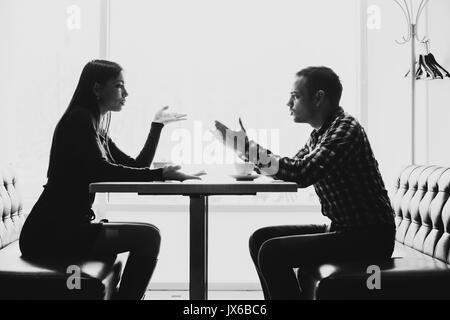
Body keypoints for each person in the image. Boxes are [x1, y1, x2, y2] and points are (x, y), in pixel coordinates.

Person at [19, 59, 203, 300]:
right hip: (51, 232)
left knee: (149, 235)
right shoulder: (79, 119)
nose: (126, 93)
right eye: (119, 86)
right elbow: (101, 170)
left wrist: (156, 126)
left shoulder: (95, 126)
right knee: (149, 237)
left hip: (68, 228)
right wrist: (160, 175)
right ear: (96, 89)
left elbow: (136, 166)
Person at [214, 66, 395, 300]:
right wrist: (245, 149)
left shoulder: (345, 129)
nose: (288, 104)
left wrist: (247, 148)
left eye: (295, 96)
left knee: (271, 252)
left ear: (318, 98)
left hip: (368, 238)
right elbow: (290, 167)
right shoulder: (320, 134)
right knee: (260, 239)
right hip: (344, 230)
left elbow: (301, 173)